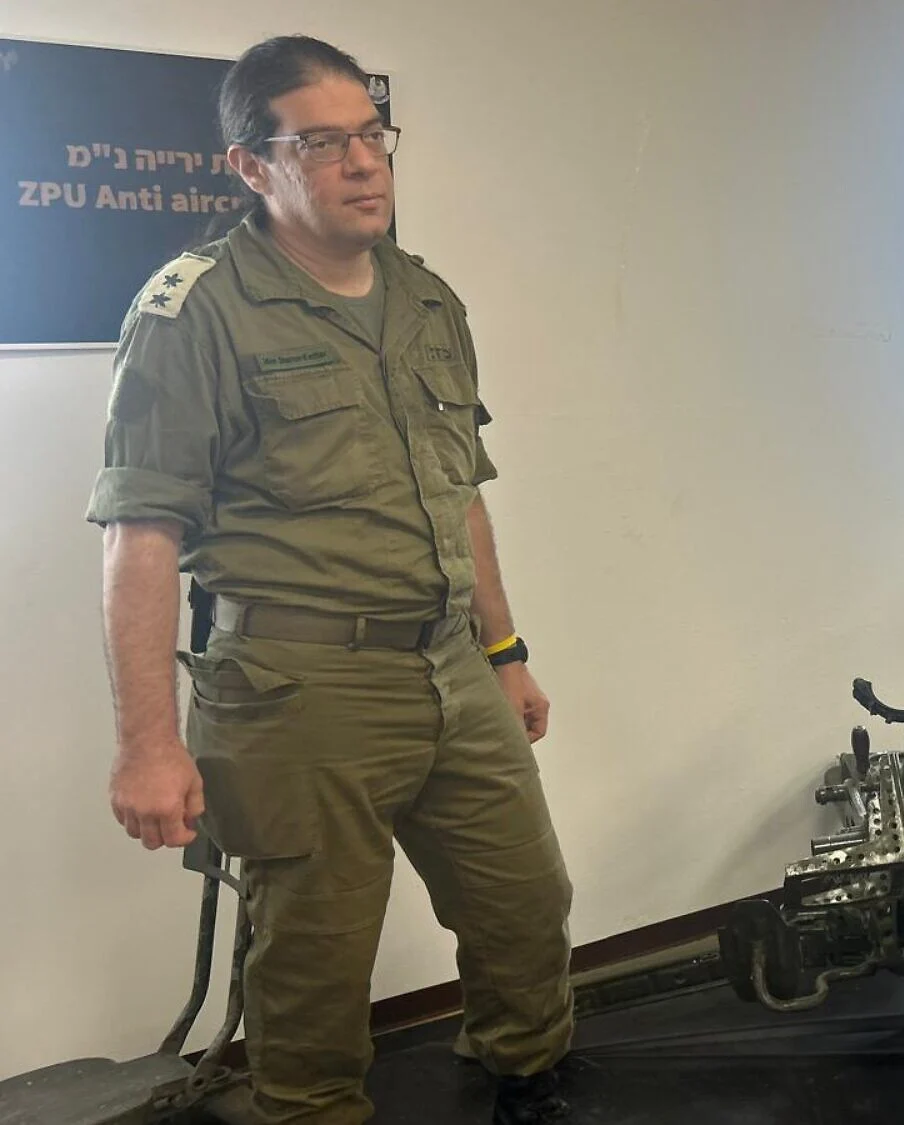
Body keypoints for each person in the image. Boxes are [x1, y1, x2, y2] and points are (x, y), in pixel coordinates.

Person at [86, 35, 573, 1125]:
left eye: (371, 136)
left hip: (448, 662)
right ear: (252, 167)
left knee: (526, 905)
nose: (363, 164)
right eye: (321, 143)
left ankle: (528, 1076)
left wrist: (505, 651)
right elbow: (140, 534)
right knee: (313, 963)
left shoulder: (424, 297)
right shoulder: (196, 310)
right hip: (298, 686)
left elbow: (461, 494)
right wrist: (148, 745)